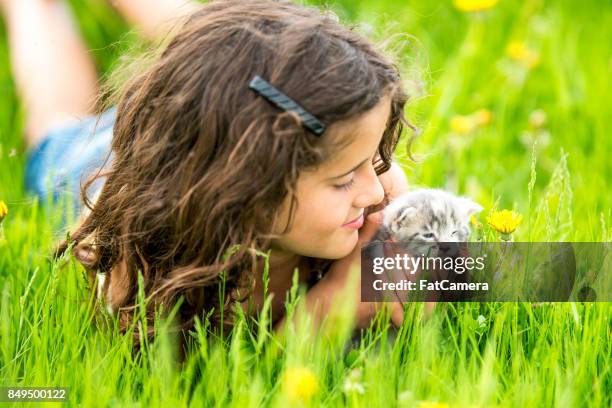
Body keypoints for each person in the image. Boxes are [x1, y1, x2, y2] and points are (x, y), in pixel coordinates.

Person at [1, 0, 413, 342]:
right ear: (247, 188)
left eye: (374, 158)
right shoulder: (142, 266)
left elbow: (467, 277)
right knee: (56, 121)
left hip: (204, 121)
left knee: (225, 52)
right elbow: (203, 381)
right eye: (343, 179)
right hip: (98, 163)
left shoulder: (373, 194)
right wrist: (324, 310)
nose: (375, 190)